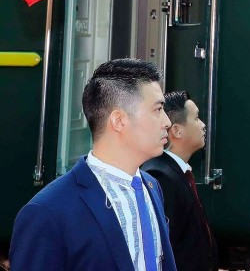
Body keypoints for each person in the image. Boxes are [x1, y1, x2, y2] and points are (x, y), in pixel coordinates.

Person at [10, 58, 177, 271]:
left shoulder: (151, 187)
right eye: (158, 109)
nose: (167, 122)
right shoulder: (48, 211)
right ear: (119, 121)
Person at [142, 91, 218, 271]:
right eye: (197, 118)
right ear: (176, 130)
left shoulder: (175, 173)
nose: (203, 125)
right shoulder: (160, 176)